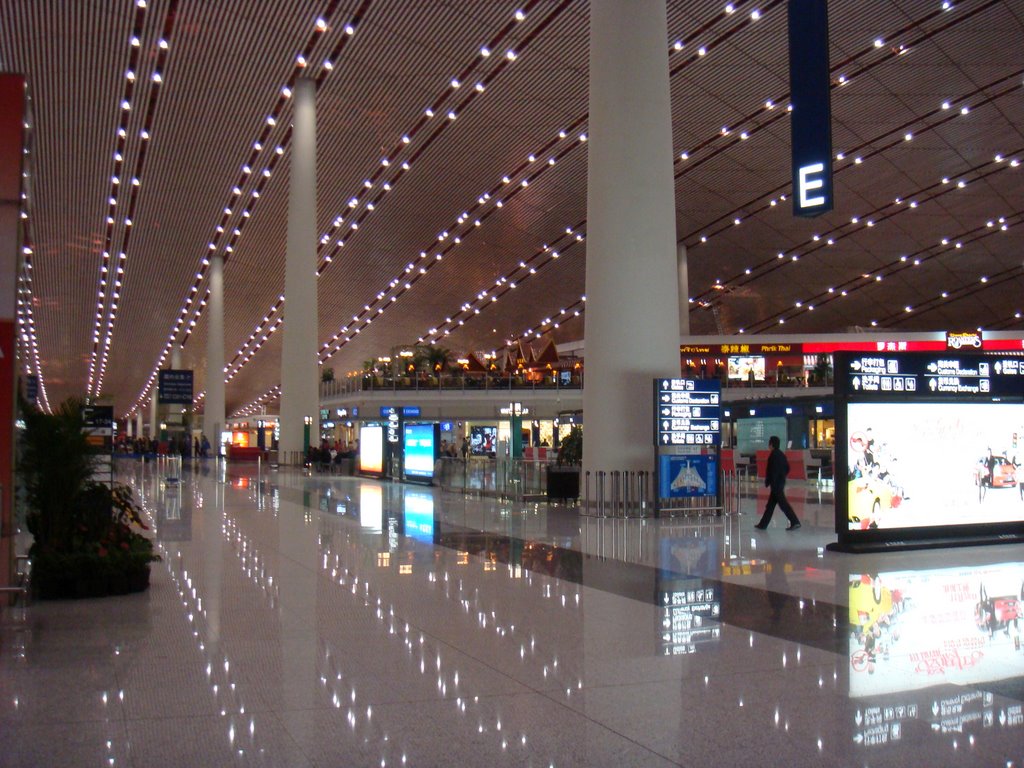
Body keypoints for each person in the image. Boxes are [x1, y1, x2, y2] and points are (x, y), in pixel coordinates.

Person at [754, 435, 801, 530]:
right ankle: (763, 524)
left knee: (783, 504)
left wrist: (772, 480)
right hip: (779, 483)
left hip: (776, 485)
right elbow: (787, 468)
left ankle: (795, 521)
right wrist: (782, 476)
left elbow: (772, 470)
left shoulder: (773, 455)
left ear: (771, 444)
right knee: (770, 506)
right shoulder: (781, 454)